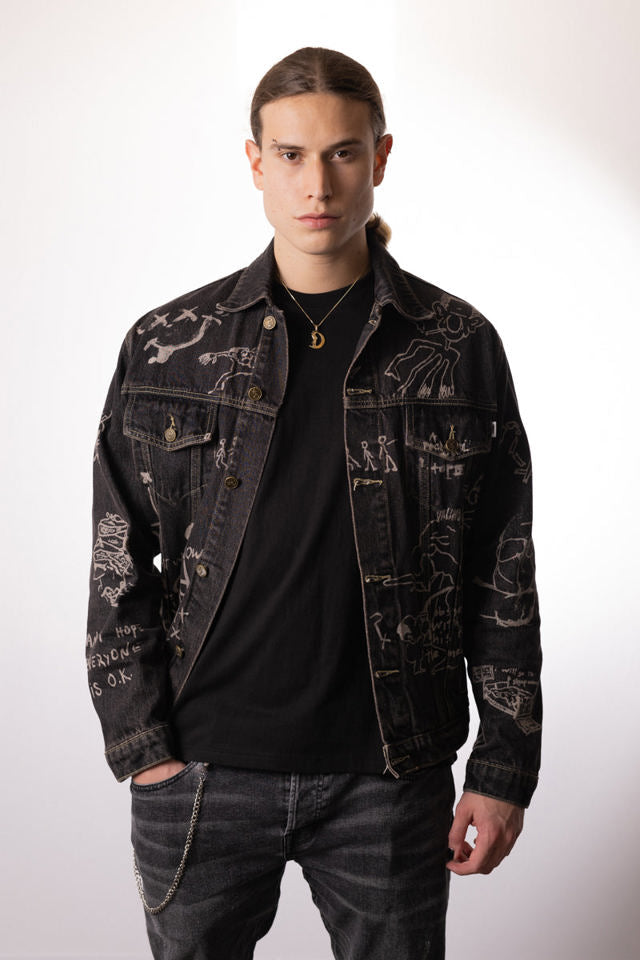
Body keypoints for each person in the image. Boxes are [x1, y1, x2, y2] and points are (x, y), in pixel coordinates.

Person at [87, 46, 542, 960]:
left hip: (389, 775)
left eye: (342, 153)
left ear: (381, 157)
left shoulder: (457, 346)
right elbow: (116, 553)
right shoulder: (173, 344)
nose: (317, 184)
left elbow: (503, 567)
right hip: (202, 772)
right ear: (255, 162)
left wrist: (503, 766)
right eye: (291, 155)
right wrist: (143, 745)